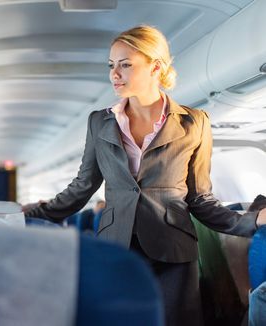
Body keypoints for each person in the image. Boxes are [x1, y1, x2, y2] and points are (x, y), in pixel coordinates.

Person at [23, 25, 266, 326]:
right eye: (111, 65)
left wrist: (252, 220)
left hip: (173, 250)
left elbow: (200, 197)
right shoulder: (99, 122)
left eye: (125, 65)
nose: (115, 74)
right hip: (115, 247)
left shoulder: (194, 122)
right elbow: (83, 186)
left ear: (156, 67)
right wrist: (33, 215)